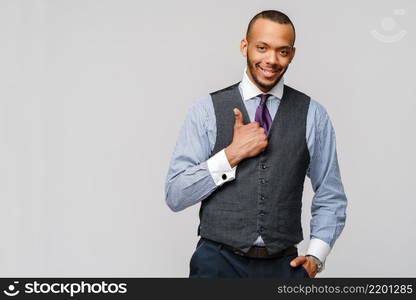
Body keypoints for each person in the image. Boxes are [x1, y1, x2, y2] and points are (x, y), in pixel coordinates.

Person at [165, 10, 347, 278]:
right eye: (262, 48)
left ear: (292, 54)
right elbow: (176, 195)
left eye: (282, 51)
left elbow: (330, 194)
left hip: (283, 266)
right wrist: (230, 155)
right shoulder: (205, 111)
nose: (271, 60)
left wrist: (316, 257)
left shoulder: (313, 115)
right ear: (244, 47)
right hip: (216, 264)